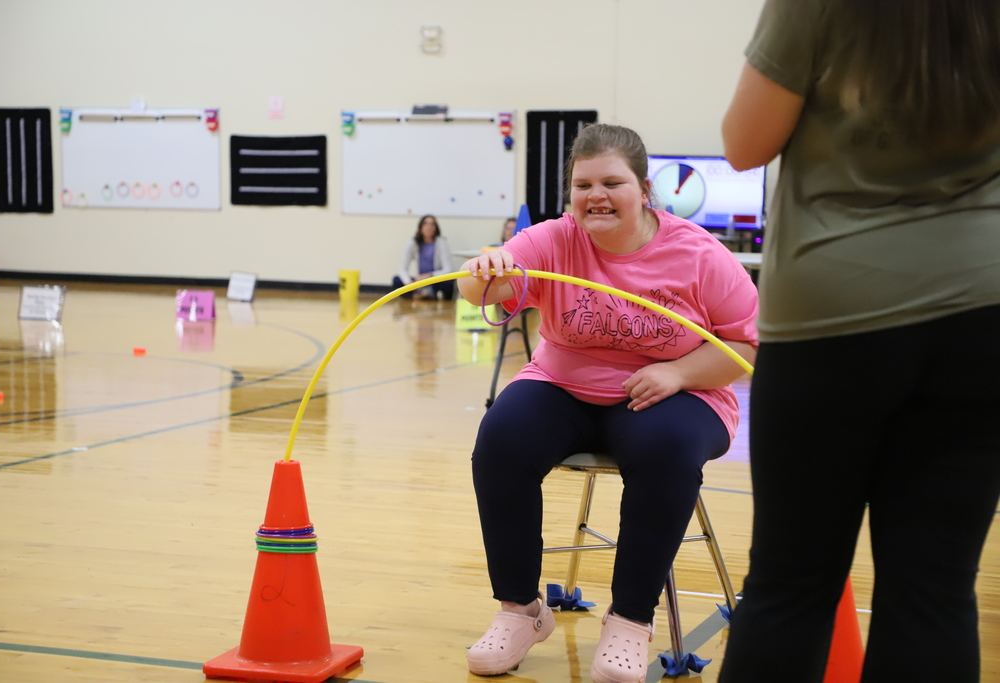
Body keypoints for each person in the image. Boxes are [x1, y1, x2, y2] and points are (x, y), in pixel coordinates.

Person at [717, 2, 1000, 682]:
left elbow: (745, 142)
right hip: (983, 304)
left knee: (791, 583)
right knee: (934, 593)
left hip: (833, 312)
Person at [458, 123, 759, 683]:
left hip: (676, 392)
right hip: (564, 387)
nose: (595, 195)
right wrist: (482, 275)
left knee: (666, 451)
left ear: (644, 190)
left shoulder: (698, 253)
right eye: (583, 184)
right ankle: (520, 611)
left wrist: (679, 371)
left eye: (612, 182)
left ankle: (629, 619)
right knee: (500, 437)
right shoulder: (553, 239)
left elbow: (746, 346)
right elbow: (484, 291)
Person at [393, 214, 454, 300]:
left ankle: (427, 293)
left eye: (432, 224)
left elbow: (448, 269)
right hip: (419, 281)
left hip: (434, 280)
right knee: (397, 280)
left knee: (450, 282)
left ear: (436, 228)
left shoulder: (441, 242)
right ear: (420, 226)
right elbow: (402, 268)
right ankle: (419, 294)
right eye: (426, 224)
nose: (429, 227)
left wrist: (429, 275)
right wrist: (408, 282)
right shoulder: (413, 243)